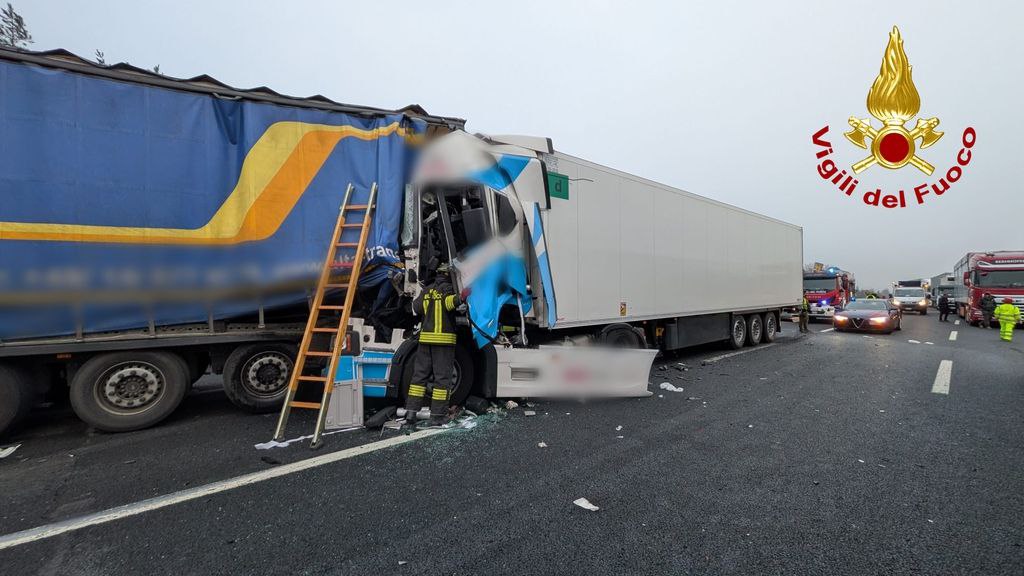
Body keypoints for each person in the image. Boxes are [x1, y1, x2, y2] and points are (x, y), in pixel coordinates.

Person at [403, 266, 466, 427]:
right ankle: (437, 416)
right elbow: (451, 303)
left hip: (425, 340)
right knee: (442, 379)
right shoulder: (448, 289)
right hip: (443, 342)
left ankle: (411, 413)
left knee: (419, 377)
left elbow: (416, 308)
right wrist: (463, 296)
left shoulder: (427, 290)